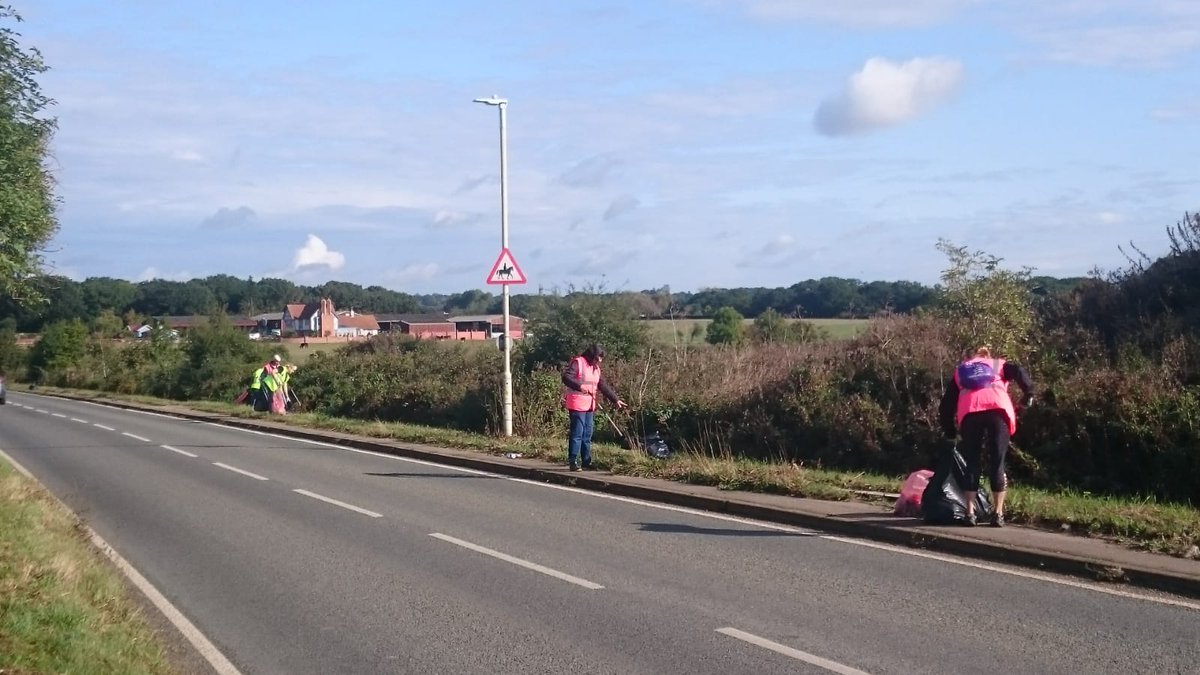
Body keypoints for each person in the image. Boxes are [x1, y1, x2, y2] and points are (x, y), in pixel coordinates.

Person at [939, 345, 1034, 527]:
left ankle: (969, 513)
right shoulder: (998, 364)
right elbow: (1019, 371)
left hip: (970, 413)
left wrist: (950, 431)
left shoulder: (961, 371)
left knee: (972, 462)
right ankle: (997, 514)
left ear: (973, 358)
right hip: (998, 411)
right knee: (997, 462)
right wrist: (1028, 393)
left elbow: (946, 406)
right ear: (987, 356)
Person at [561, 344, 627, 471]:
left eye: (601, 359)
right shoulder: (578, 362)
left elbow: (602, 385)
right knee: (577, 433)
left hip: (590, 405)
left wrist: (615, 399)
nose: (599, 361)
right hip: (577, 404)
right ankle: (573, 461)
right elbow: (566, 377)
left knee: (587, 434)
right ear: (592, 355)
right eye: (598, 358)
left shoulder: (596, 368)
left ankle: (586, 461)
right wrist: (579, 386)